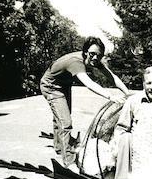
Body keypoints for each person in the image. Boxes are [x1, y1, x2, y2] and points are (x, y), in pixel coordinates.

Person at [40, 36, 130, 171]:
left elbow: (112, 77)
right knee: (65, 122)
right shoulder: (76, 62)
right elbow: (89, 83)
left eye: (98, 55)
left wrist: (128, 94)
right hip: (51, 86)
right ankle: (69, 162)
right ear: (85, 52)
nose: (94, 58)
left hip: (64, 84)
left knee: (61, 117)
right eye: (92, 54)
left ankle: (59, 148)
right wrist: (110, 96)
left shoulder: (95, 61)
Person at [109, 67, 152, 179]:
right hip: (136, 145)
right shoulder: (133, 101)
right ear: (143, 84)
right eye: (149, 83)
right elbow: (121, 128)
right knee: (125, 138)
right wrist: (118, 146)